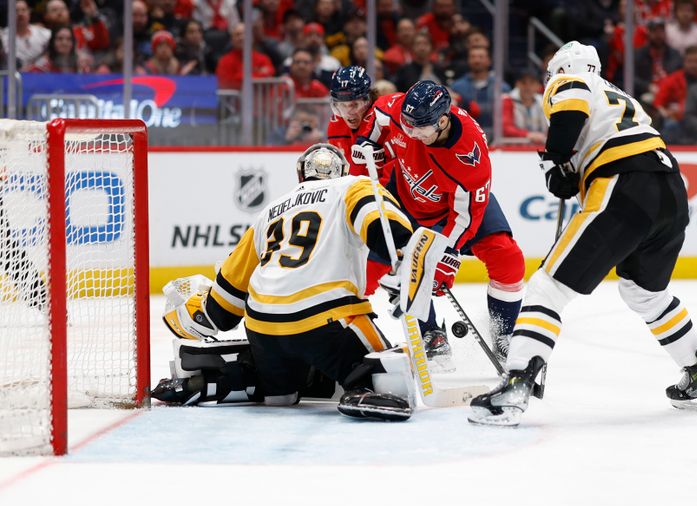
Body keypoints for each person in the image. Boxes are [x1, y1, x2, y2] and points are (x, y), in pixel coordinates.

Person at [468, 41, 697, 427]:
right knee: (645, 292)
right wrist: (571, 167)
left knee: (546, 288)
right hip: (671, 189)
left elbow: (570, 111)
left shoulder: (570, 81)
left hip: (624, 184)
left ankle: (515, 385)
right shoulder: (619, 94)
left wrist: (557, 159)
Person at [156, 144, 417, 421]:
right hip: (326, 320)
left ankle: (224, 381)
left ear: (300, 175)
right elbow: (385, 227)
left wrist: (205, 312)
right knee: (392, 373)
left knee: (280, 396)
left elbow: (226, 300)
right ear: (342, 170)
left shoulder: (269, 211)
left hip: (264, 329)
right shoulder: (353, 185)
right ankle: (360, 386)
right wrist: (404, 258)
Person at [354, 80, 527, 368]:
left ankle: (504, 337)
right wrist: (366, 143)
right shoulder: (408, 114)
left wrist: (447, 253)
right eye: (407, 126)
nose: (410, 133)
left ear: (443, 120)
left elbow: (465, 217)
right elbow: (379, 117)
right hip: (403, 200)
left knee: (507, 258)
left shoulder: (469, 157)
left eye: (419, 129)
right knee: (367, 272)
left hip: (459, 212)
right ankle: (430, 334)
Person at [216, 22, 276, 90]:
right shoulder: (224, 61)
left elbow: (270, 76)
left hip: (258, 99)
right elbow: (225, 83)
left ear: (252, 38)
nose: (242, 37)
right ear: (232, 40)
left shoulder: (263, 59)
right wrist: (258, 74)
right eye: (237, 34)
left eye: (245, 34)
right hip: (237, 100)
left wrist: (239, 76)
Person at [501, 68, 548, 144]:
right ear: (517, 84)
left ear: (538, 86)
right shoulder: (507, 100)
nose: (528, 87)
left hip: (540, 146)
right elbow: (506, 128)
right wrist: (527, 135)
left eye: (532, 83)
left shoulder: (544, 101)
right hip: (513, 148)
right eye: (524, 83)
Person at [0, 1, 51, 69]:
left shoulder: (43, 33)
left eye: (23, 10)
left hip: (38, 76)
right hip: (12, 76)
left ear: (29, 13)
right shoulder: (2, 36)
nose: (20, 14)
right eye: (16, 11)